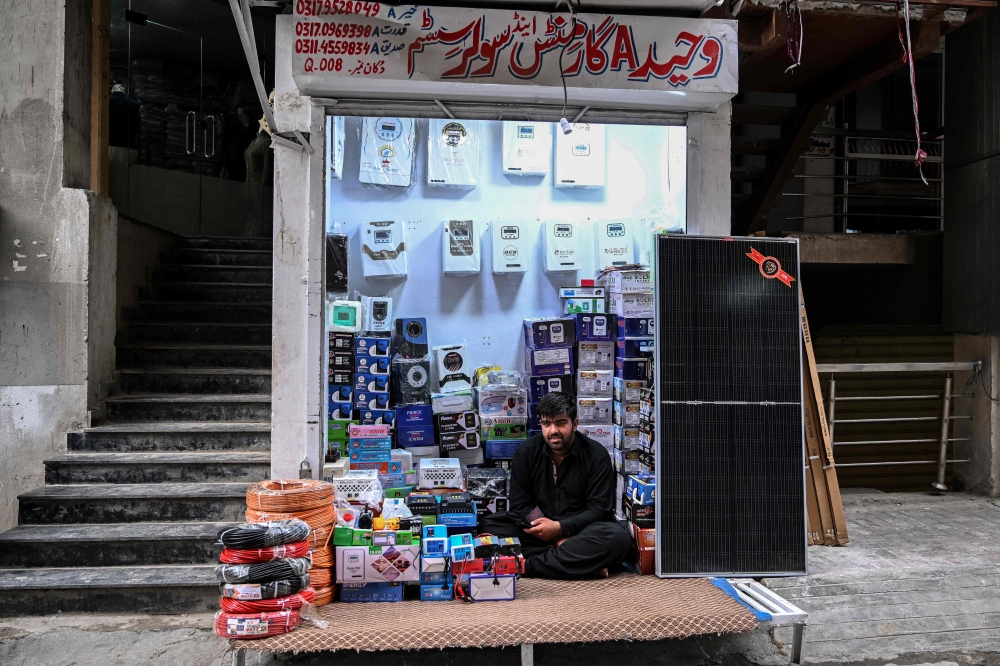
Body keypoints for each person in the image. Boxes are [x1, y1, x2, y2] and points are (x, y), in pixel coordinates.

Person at [480, 391, 631, 579]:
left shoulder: (596, 456)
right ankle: (582, 563)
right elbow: (521, 505)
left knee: (617, 538)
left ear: (574, 424)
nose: (553, 431)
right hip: (539, 529)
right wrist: (553, 533)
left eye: (560, 423)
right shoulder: (526, 452)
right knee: (489, 526)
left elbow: (599, 510)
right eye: (546, 424)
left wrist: (560, 527)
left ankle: (528, 565)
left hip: (580, 530)